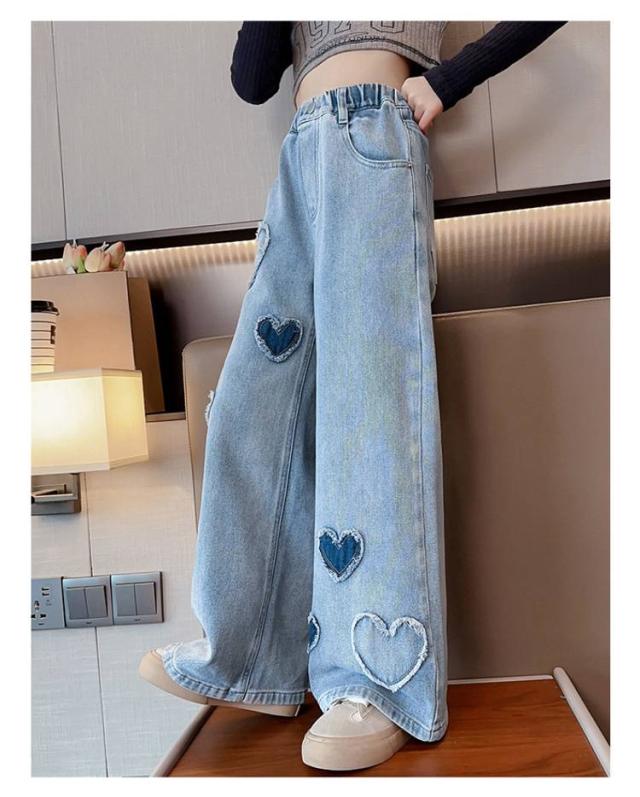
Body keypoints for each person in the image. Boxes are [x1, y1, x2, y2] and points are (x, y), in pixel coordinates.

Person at [139, 20, 568, 772]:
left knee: (369, 411)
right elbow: (251, 81)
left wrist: (446, 82)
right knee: (248, 409)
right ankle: (247, 653)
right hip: (298, 154)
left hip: (377, 135)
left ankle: (377, 681)